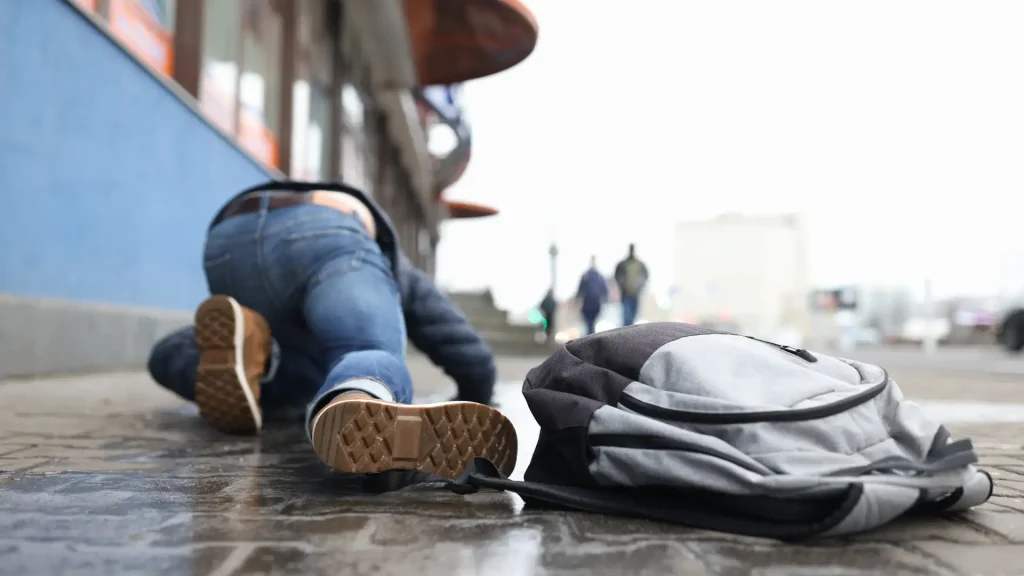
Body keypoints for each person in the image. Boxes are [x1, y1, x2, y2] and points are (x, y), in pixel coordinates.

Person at [146, 180, 517, 480]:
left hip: (227, 242)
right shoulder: (392, 265)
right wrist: (478, 392)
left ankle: (259, 357)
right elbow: (465, 350)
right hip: (326, 234)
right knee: (366, 349)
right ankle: (358, 395)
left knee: (179, 354)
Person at [613, 243, 649, 327]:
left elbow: (645, 275)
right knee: (626, 317)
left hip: (635, 294)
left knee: (633, 315)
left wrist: (640, 285)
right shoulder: (622, 264)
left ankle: (630, 331)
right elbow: (616, 275)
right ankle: (627, 333)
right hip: (625, 294)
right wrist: (621, 284)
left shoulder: (640, 264)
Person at [575, 256, 608, 335]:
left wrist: (604, 300)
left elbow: (604, 290)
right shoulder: (586, 275)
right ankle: (590, 335)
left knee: (591, 323)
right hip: (587, 303)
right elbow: (580, 289)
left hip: (595, 303)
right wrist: (578, 300)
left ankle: (590, 335)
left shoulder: (598, 276)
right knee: (589, 323)